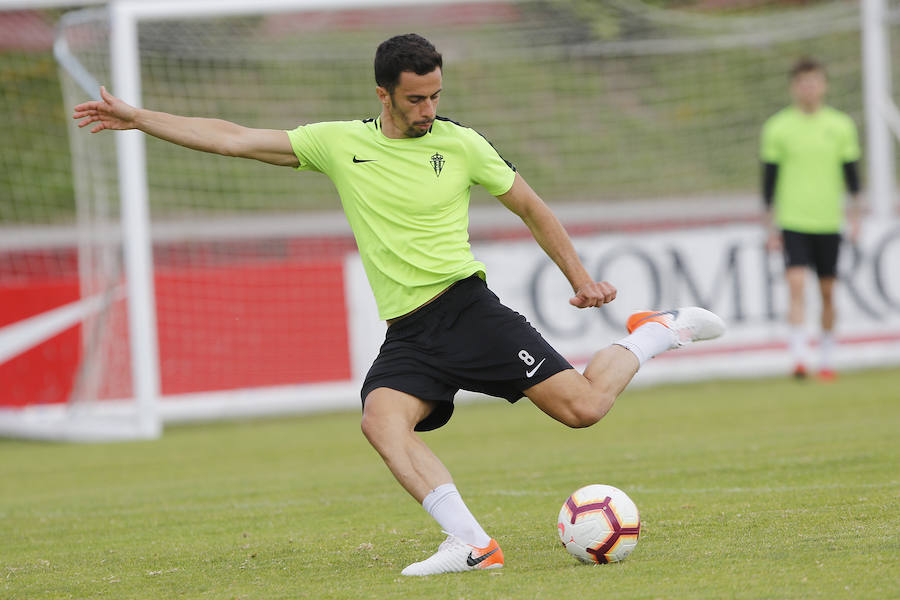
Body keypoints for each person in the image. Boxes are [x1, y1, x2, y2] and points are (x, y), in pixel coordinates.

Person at [74, 33, 724, 576]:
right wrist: (141, 119)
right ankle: (472, 544)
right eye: (416, 99)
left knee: (584, 408)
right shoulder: (339, 144)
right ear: (383, 94)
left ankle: (656, 331)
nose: (428, 109)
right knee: (381, 421)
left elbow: (530, 205)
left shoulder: (461, 143)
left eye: (436, 95)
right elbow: (233, 138)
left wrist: (582, 279)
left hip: (468, 312)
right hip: (409, 333)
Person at [760, 57, 862, 381]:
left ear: (824, 85)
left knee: (828, 291)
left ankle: (828, 359)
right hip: (793, 221)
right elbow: (769, 184)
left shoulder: (841, 126)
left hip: (828, 221)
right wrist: (770, 227)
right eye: (803, 83)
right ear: (794, 87)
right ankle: (799, 358)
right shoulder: (777, 127)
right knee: (796, 284)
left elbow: (853, 179)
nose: (809, 88)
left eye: (815, 82)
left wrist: (856, 218)